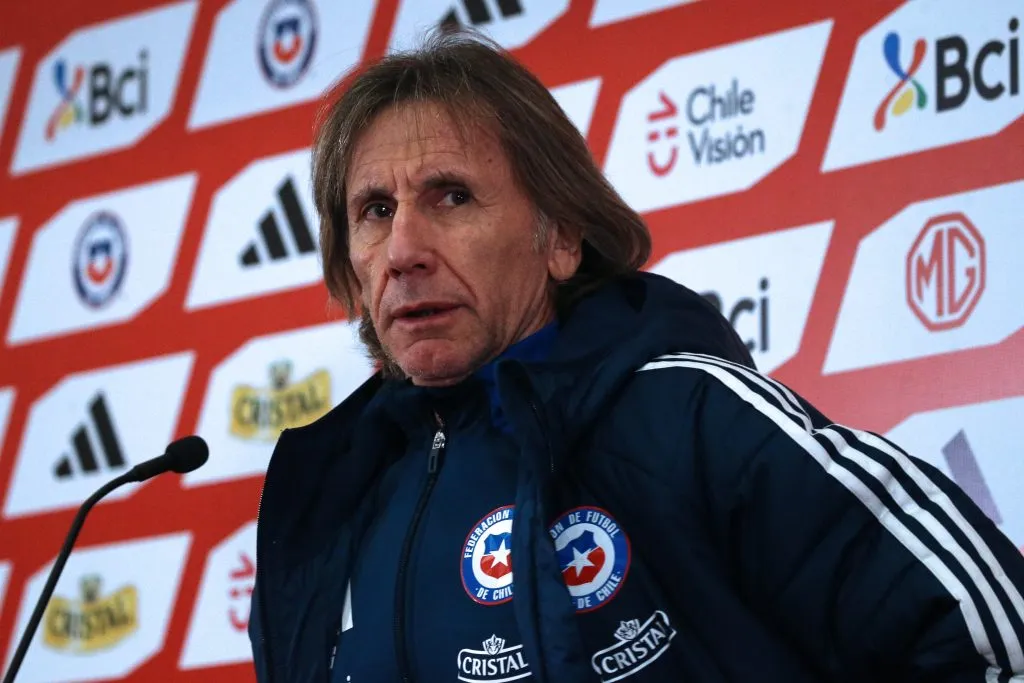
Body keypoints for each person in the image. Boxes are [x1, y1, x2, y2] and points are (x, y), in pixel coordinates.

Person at [247, 29, 1024, 683]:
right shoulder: (323, 498)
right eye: (375, 211)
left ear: (559, 237)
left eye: (451, 196)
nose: (405, 249)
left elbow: (993, 639)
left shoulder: (686, 418)